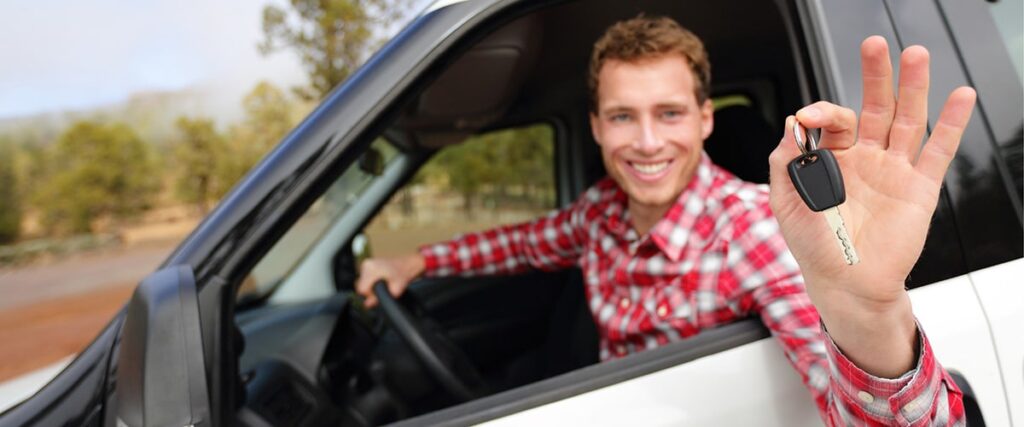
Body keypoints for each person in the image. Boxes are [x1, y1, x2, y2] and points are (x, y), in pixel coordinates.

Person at [356, 16, 976, 425]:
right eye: (623, 117)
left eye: (670, 114)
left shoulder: (752, 230)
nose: (647, 142)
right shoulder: (600, 211)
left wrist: (869, 317)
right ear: (597, 127)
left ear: (706, 118)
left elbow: (849, 403)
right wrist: (417, 259)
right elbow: (521, 243)